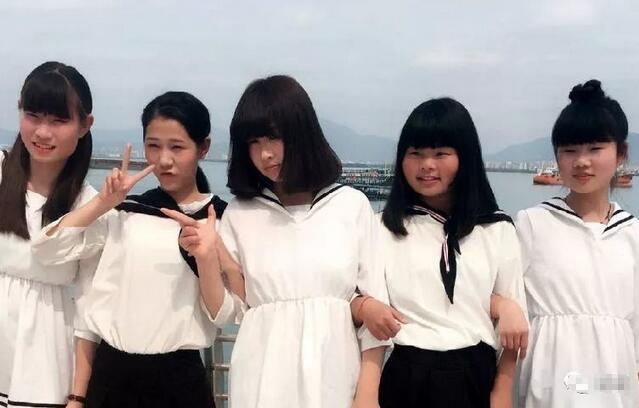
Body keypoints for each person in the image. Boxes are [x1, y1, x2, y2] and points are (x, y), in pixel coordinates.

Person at [166, 75, 391, 408]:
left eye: (274, 137)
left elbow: (377, 307)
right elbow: (227, 312)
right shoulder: (241, 212)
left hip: (334, 376)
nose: (266, 154)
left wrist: (368, 393)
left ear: (302, 131)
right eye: (253, 142)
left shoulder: (350, 204)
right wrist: (206, 257)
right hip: (261, 379)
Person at [32, 91, 235, 407]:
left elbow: (224, 314)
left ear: (203, 147)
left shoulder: (220, 220)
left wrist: (207, 257)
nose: (163, 160)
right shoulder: (125, 212)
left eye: (177, 147)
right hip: (111, 376)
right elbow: (47, 250)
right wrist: (102, 203)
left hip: (180, 381)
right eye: (153, 146)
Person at [364, 97, 527, 408]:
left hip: (474, 376)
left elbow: (513, 327)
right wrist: (367, 395)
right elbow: (373, 321)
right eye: (416, 153)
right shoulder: (382, 228)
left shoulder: (496, 228)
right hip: (406, 375)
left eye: (441, 153)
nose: (427, 164)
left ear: (465, 157)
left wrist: (502, 392)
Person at [516, 79, 638, 407]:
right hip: (550, 386)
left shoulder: (633, 234)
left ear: (621, 154)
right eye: (569, 151)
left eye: (595, 149)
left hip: (614, 388)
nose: (582, 161)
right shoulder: (532, 224)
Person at [0, 61, 97, 408]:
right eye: (33, 116)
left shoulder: (92, 206)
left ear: (85, 125)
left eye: (58, 120)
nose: (42, 132)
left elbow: (88, 308)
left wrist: (77, 396)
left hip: (44, 358)